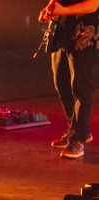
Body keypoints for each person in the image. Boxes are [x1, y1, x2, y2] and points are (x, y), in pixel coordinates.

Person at [39, 0, 98, 160]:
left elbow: (93, 4)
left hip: (84, 32)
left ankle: (78, 139)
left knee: (81, 87)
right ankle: (78, 130)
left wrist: (63, 11)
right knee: (61, 82)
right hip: (63, 29)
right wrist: (50, 9)